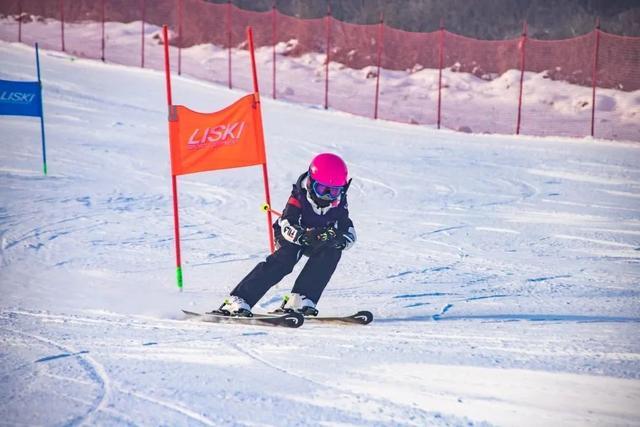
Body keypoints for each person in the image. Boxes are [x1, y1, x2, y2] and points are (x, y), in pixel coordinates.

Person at [217, 153, 357, 317]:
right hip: (291, 235)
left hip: (317, 239)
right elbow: (287, 223)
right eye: (322, 189)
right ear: (311, 183)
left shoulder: (339, 203)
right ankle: (238, 299)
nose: (326, 196)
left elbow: (349, 230)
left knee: (331, 252)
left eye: (333, 191)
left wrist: (339, 240)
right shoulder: (300, 196)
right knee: (287, 257)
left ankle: (301, 298)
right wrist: (302, 236)